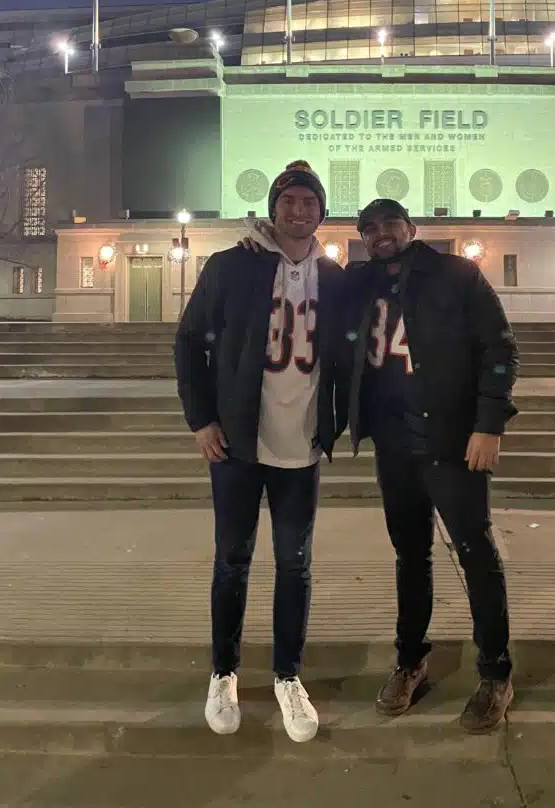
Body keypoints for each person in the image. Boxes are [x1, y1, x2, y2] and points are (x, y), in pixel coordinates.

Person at [174, 161, 345, 743]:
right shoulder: (231, 267)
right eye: (288, 201)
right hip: (240, 445)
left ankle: (288, 675)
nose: (298, 211)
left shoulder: (335, 277)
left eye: (308, 201)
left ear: (322, 211)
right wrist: (201, 419)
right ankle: (223, 672)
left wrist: (339, 422)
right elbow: (190, 341)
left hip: (302, 447)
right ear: (273, 209)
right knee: (233, 560)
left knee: (295, 564)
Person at [344, 198, 519, 733]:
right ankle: (410, 660)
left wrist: (488, 425)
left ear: (412, 228)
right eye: (369, 229)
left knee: (475, 553)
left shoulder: (456, 274)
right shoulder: (357, 283)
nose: (381, 235)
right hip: (393, 445)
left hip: (450, 441)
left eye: (390, 224)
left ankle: (495, 672)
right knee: (409, 556)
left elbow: (500, 347)